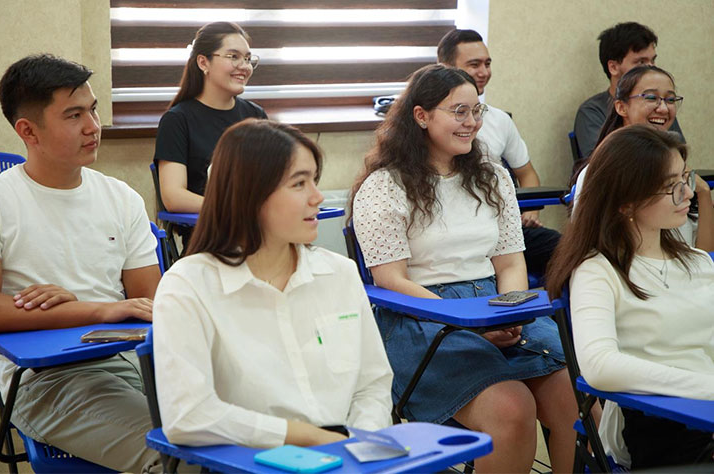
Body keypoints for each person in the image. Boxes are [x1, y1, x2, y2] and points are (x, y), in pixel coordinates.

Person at [350, 64, 579, 474]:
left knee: (571, 396)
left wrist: (511, 310)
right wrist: (469, 324)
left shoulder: (491, 175)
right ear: (421, 116)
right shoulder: (385, 184)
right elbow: (390, 279)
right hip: (422, 315)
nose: (471, 122)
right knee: (512, 407)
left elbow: (510, 261)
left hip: (494, 303)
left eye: (477, 111)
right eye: (459, 111)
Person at [0, 54, 161, 472]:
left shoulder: (121, 197)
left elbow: (153, 302)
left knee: (250, 433)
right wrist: (99, 308)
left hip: (134, 358)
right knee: (178, 456)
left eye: (92, 109)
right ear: (28, 131)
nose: (93, 126)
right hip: (46, 379)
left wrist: (73, 307)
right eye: (74, 115)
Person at [153, 119, 393, 448]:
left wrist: (361, 445)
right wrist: (308, 439)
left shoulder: (339, 272)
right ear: (250, 194)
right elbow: (189, 416)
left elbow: (373, 385)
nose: (317, 197)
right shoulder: (189, 285)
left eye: (314, 180)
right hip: (255, 463)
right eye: (299, 184)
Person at [546, 125, 714, 470]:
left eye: (686, 178)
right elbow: (600, 367)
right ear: (626, 202)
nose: (687, 194)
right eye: (671, 187)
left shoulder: (697, 260)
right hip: (657, 418)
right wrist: (705, 387)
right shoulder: (597, 269)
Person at [437, 28, 561, 277]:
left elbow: (526, 173)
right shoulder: (430, 122)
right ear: (445, 67)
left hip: (501, 226)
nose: (483, 72)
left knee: (571, 252)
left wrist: (529, 213)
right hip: (450, 229)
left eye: (487, 63)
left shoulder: (499, 120)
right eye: (474, 64)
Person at [573, 65, 714, 251]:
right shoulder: (602, 171)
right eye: (651, 98)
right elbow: (592, 248)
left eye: (670, 99)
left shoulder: (679, 168)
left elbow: (703, 257)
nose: (663, 108)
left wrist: (703, 192)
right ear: (621, 107)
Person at [154, 22, 267, 245]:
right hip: (210, 241)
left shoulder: (256, 115)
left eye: (247, 58)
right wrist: (232, 209)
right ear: (203, 62)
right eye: (233, 56)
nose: (244, 66)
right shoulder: (177, 120)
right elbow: (173, 196)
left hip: (260, 237)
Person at [573, 21, 684, 158]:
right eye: (641, 62)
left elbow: (679, 157)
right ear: (613, 67)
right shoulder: (592, 111)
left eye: (652, 61)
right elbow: (597, 162)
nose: (651, 68)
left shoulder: (661, 107)